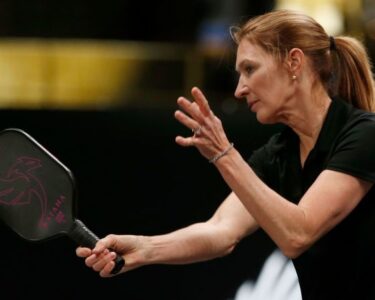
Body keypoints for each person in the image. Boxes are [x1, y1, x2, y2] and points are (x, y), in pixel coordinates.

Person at [76, 9, 375, 299]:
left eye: (250, 69)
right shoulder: (278, 155)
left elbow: (298, 234)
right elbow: (220, 231)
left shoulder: (365, 135)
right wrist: (144, 249)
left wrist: (223, 153)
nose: (240, 90)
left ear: (294, 62)